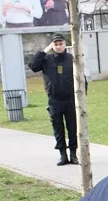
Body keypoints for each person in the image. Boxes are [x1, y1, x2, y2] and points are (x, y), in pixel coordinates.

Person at [29, 34, 80, 166]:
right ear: (52, 46)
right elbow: (33, 66)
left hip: (71, 99)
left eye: (60, 44)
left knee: (72, 127)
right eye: (55, 44)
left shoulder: (71, 58)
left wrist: (81, 96)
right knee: (58, 129)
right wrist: (44, 51)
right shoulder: (46, 59)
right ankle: (63, 155)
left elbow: (81, 77)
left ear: (65, 44)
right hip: (54, 100)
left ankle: (73, 155)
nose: (58, 47)